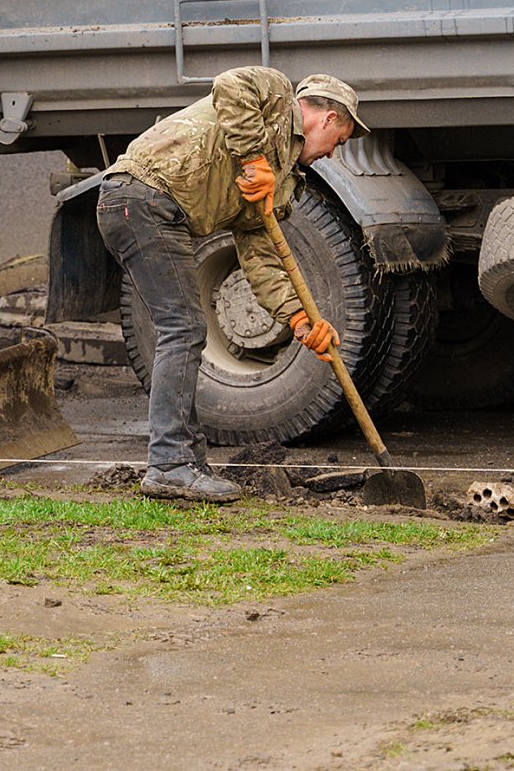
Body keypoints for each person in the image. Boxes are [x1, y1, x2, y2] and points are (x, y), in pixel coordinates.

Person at [98, 66, 363, 502]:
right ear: (329, 119)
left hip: (155, 209)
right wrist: (253, 159)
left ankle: (186, 460)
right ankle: (169, 464)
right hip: (140, 197)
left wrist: (298, 319)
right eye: (339, 142)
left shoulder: (280, 180)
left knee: (184, 329)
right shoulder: (276, 96)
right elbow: (230, 84)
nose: (333, 154)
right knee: (182, 329)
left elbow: (260, 255)